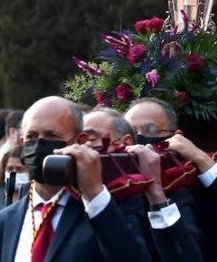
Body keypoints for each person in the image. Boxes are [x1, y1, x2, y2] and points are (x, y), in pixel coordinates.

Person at [0, 96, 154, 262]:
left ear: (80, 141)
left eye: (52, 135)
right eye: (31, 136)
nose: (39, 144)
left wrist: (94, 194)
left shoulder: (109, 208)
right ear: (22, 142)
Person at [124, 98, 217, 262]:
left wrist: (200, 158)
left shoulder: (194, 178)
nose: (141, 139)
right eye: (133, 134)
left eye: (151, 129)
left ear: (176, 136)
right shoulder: (118, 184)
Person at [81, 105, 203, 261]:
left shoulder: (171, 191)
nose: (83, 151)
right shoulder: (70, 194)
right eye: (78, 141)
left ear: (125, 142)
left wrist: (156, 194)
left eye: (91, 140)